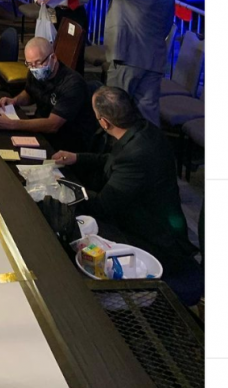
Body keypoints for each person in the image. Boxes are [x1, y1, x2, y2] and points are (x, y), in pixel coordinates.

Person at [53, 87, 202, 306]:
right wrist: (77, 158)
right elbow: (112, 161)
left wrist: (66, 190)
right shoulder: (142, 129)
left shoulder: (136, 153)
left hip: (151, 237)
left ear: (104, 123)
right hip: (150, 219)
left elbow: (103, 206)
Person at [37, 0, 174, 125]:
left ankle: (116, 144)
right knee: (148, 116)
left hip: (127, 60)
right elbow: (166, 25)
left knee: (115, 112)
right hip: (154, 61)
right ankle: (149, 144)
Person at [0, 37, 97, 151]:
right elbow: (30, 93)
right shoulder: (35, 71)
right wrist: (15, 101)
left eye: (39, 63)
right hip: (42, 129)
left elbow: (53, 125)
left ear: (53, 58)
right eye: (29, 64)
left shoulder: (72, 84)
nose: (34, 68)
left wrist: (12, 124)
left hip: (66, 141)